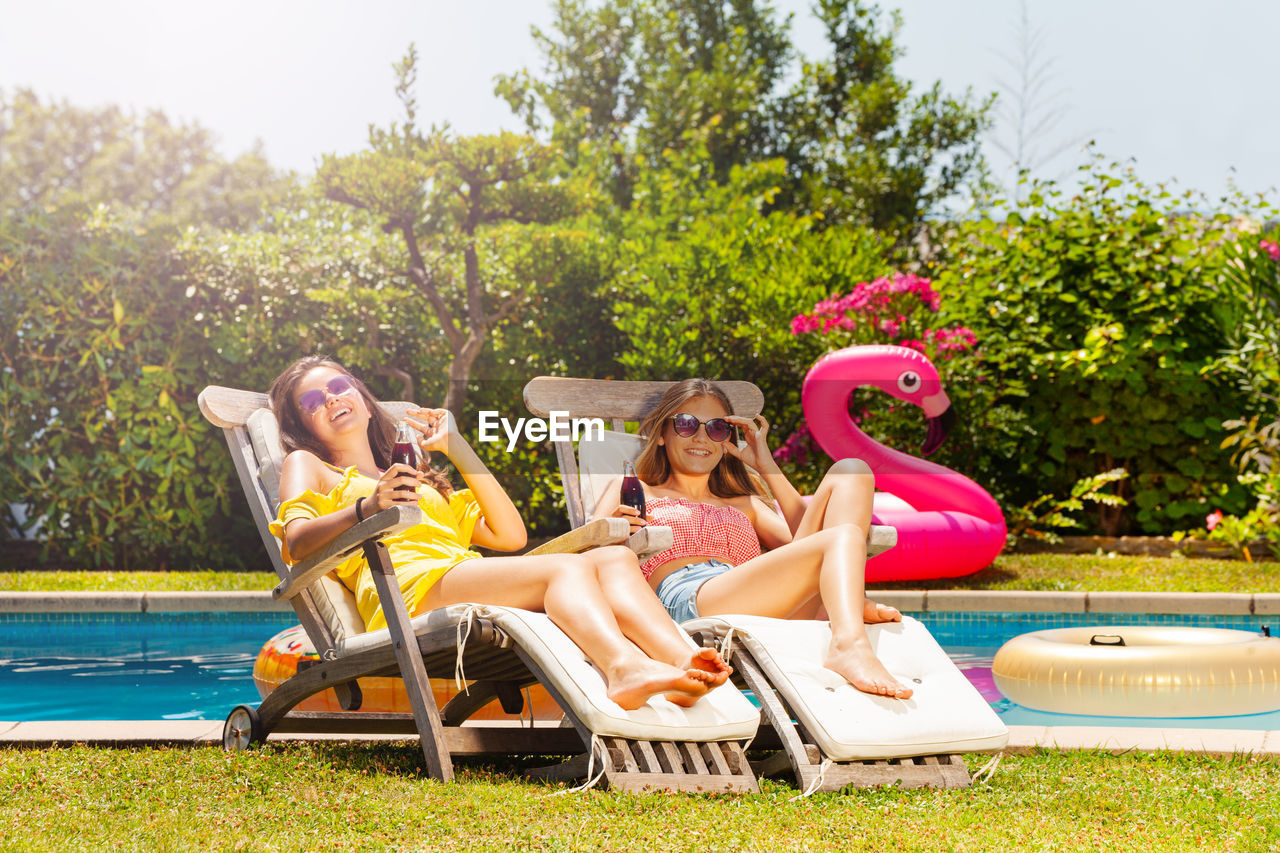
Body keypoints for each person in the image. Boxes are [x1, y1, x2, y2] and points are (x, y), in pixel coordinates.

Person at [267, 356, 729, 711]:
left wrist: (458, 447)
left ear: (365, 401)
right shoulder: (310, 467)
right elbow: (296, 541)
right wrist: (369, 506)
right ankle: (623, 668)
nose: (329, 400)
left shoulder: (416, 477)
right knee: (567, 569)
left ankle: (681, 660)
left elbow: (509, 535)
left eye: (337, 387)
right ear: (304, 425)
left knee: (614, 558)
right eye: (311, 403)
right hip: (404, 592)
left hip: (458, 577)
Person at [592, 378, 912, 699]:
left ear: (726, 440)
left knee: (852, 471)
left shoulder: (745, 504)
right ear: (661, 434)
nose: (701, 437)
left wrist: (766, 465)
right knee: (842, 536)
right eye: (686, 425)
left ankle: (847, 612)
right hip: (692, 603)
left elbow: (810, 542)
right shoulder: (635, 489)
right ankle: (850, 638)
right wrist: (613, 532)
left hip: (760, 600)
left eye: (716, 428)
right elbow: (586, 551)